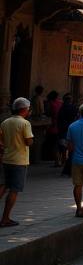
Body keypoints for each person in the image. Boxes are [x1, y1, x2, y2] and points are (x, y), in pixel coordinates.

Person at [0, 97, 34, 227]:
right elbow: (29, 141)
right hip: (19, 160)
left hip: (6, 158)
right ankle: (5, 218)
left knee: (4, 185)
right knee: (14, 190)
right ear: (25, 109)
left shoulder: (5, 122)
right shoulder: (25, 123)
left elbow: (1, 141)